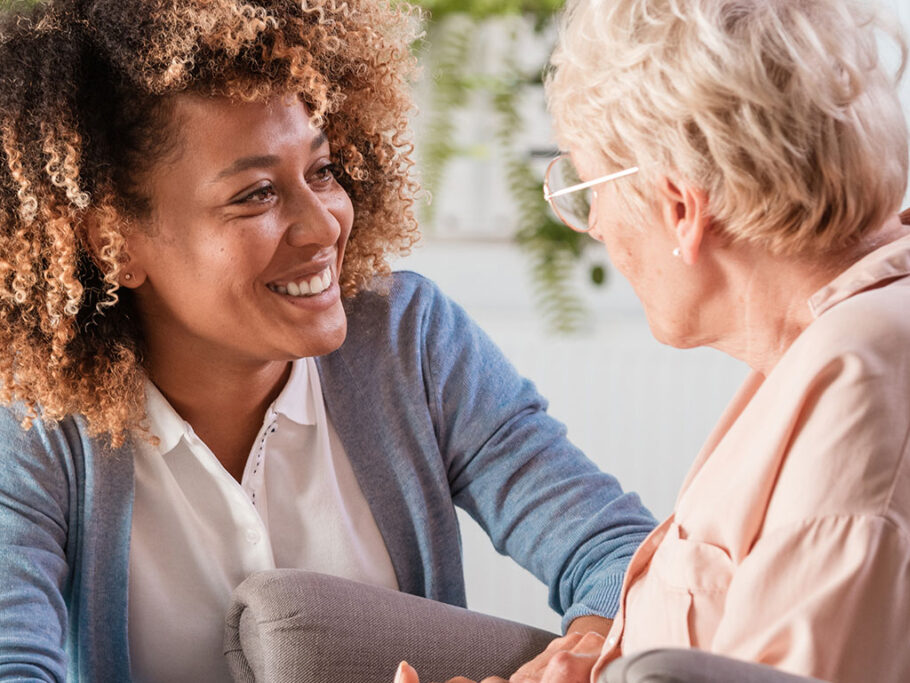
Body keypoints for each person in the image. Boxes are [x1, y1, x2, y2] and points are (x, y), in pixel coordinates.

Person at [0, 0, 659, 680]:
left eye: (321, 171)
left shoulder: (410, 342)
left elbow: (618, 551)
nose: (324, 227)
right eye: (255, 193)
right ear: (112, 244)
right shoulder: (33, 420)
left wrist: (578, 657)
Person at [398, 0, 910, 682]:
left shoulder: (860, 379)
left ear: (680, 208)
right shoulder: (821, 350)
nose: (597, 225)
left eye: (588, 186)